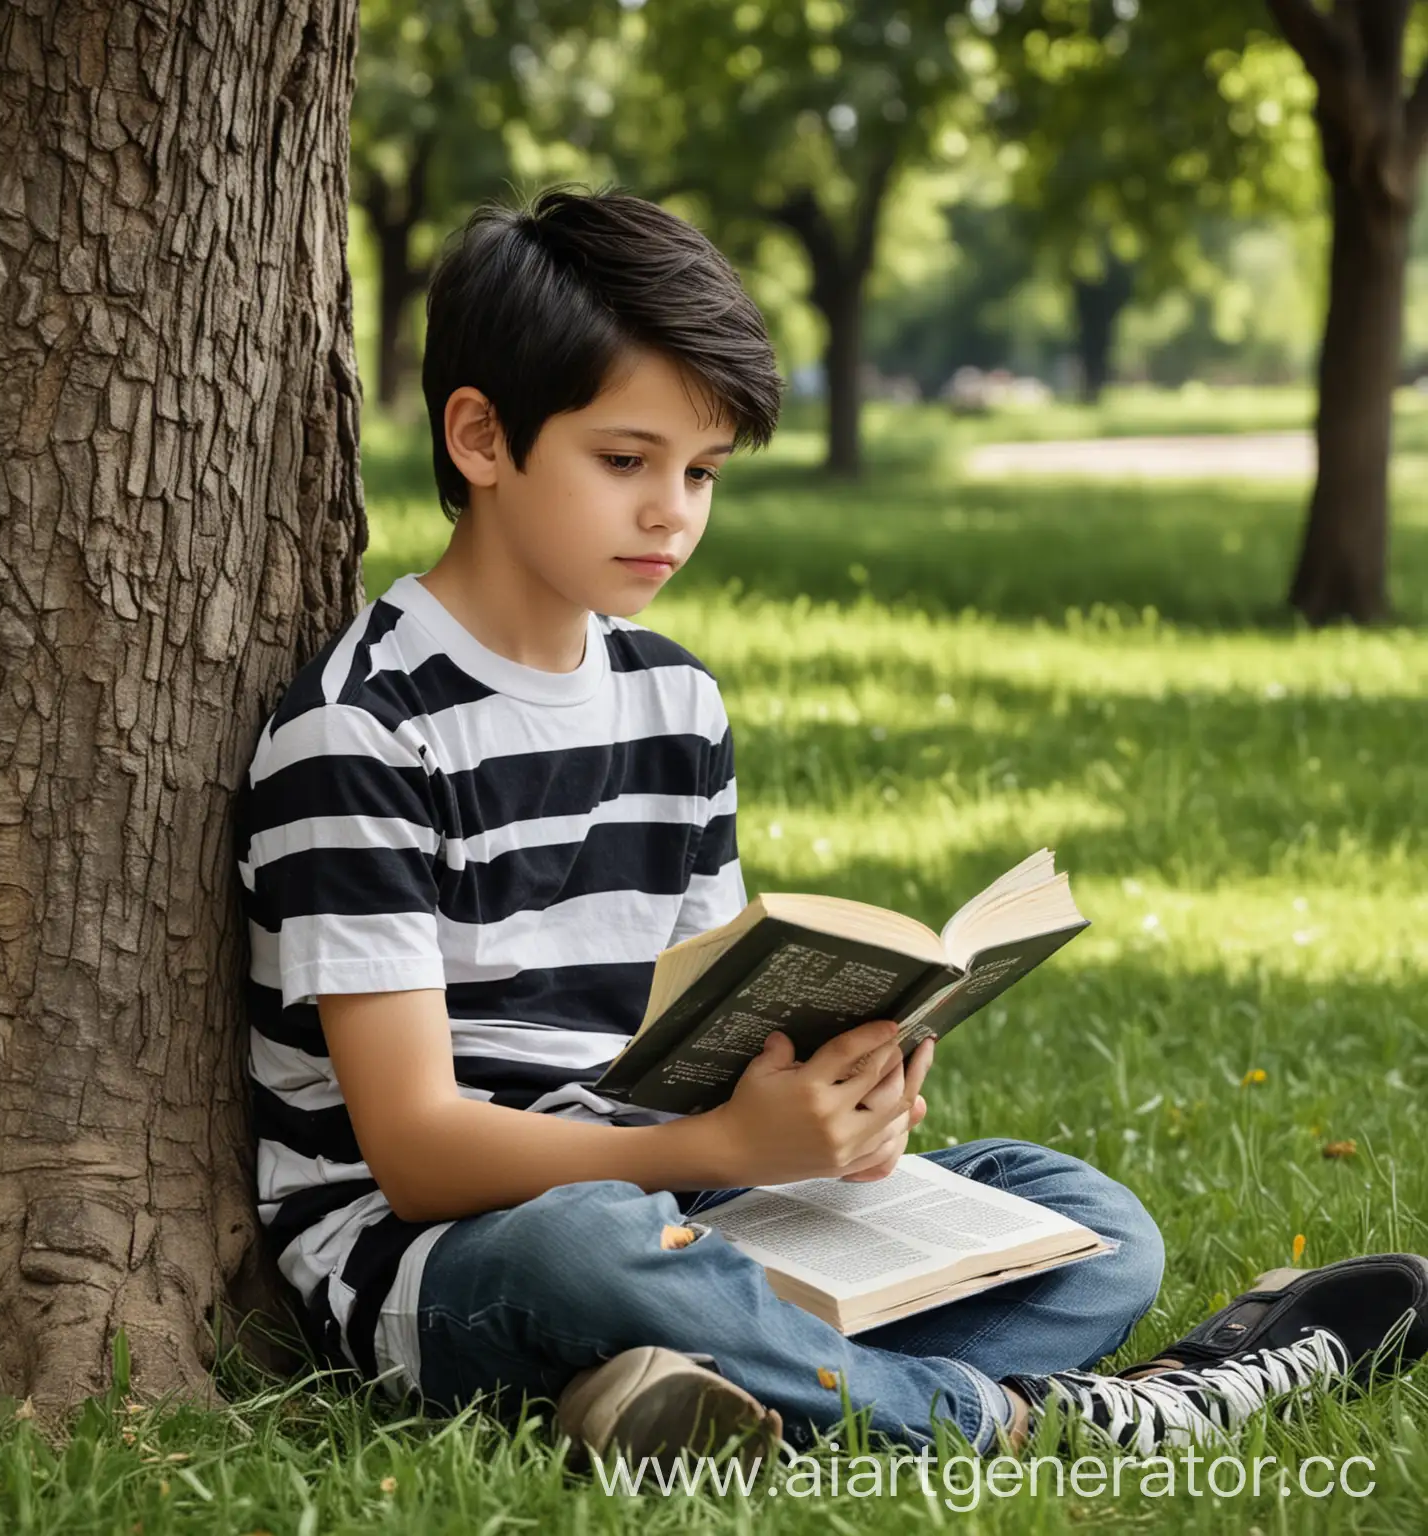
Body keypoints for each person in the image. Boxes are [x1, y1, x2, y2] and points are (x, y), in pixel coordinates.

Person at [232, 186, 1428, 1467]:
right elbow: (412, 1151)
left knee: (1090, 1220)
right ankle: (1058, 1418)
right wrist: (723, 1145)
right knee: (586, 1252)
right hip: (447, 1249)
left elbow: (696, 1031)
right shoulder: (364, 729)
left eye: (702, 472)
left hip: (681, 1186)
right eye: (625, 461)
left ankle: (693, 1395)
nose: (671, 514)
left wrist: (834, 1098)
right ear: (479, 435)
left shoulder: (672, 698)